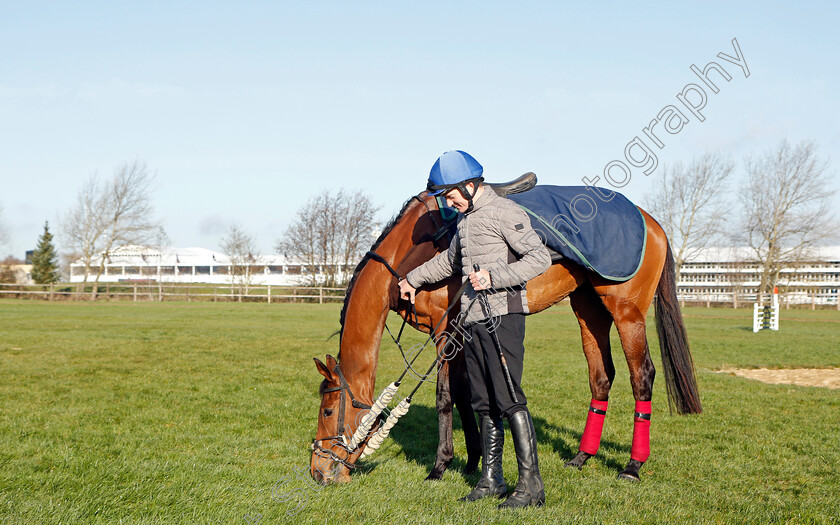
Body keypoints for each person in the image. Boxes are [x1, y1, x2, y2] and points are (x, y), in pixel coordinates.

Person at [398, 150, 552, 509]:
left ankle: (532, 486)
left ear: (469, 186)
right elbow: (450, 261)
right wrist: (412, 279)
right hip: (473, 319)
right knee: (483, 402)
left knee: (509, 398)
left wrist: (493, 276)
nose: (448, 203)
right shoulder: (465, 221)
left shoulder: (505, 212)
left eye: (451, 196)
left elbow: (539, 258)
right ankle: (491, 478)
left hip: (504, 316)